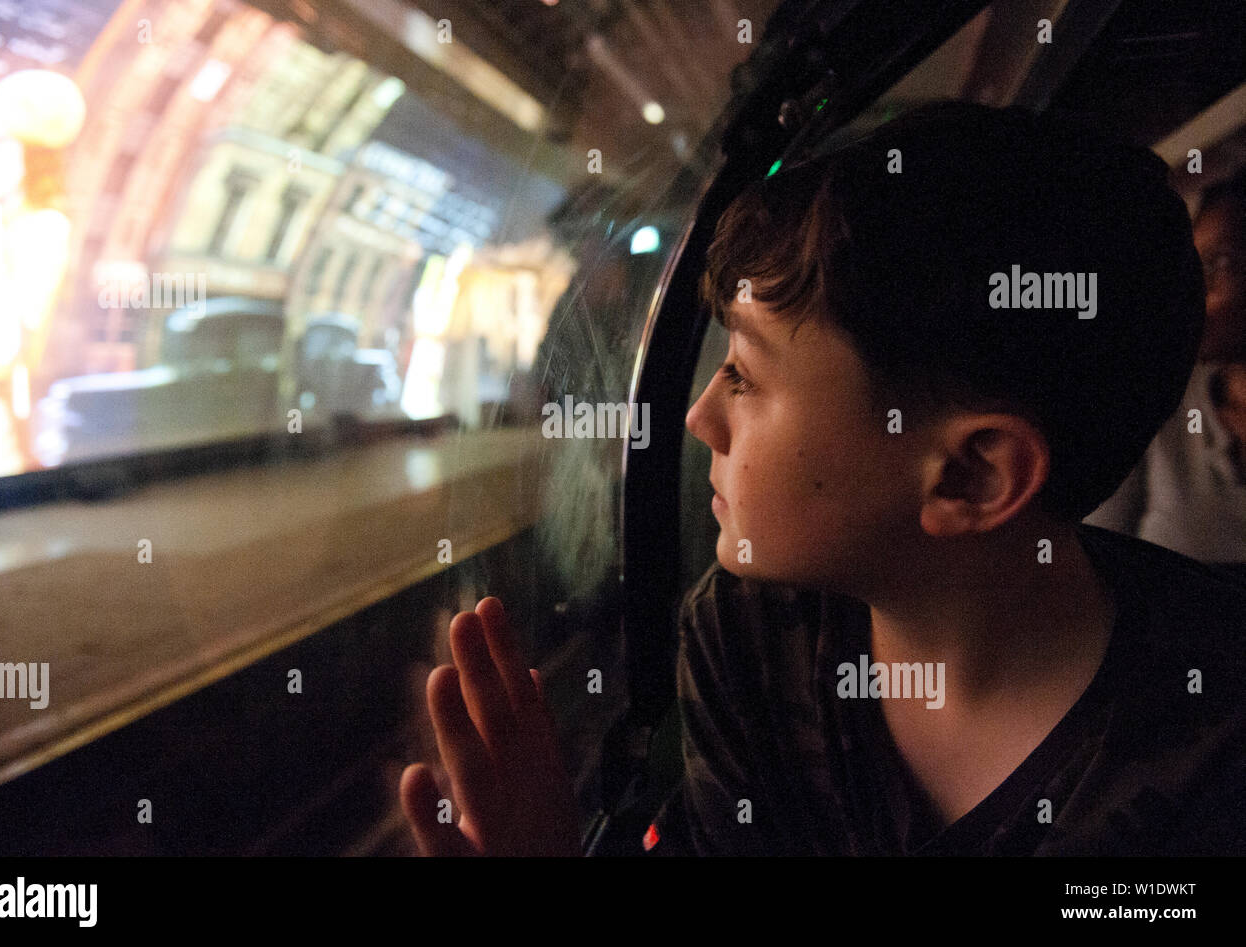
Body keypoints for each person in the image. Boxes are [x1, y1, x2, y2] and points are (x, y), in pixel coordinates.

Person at [400, 102, 1246, 856]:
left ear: (972, 475)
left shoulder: (1207, 758)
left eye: (744, 376)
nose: (700, 418)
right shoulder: (752, 631)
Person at [1085, 170, 1246, 568]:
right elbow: (1094, 556)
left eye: (1214, 266)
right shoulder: (1159, 396)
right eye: (1191, 268)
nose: (1191, 291)